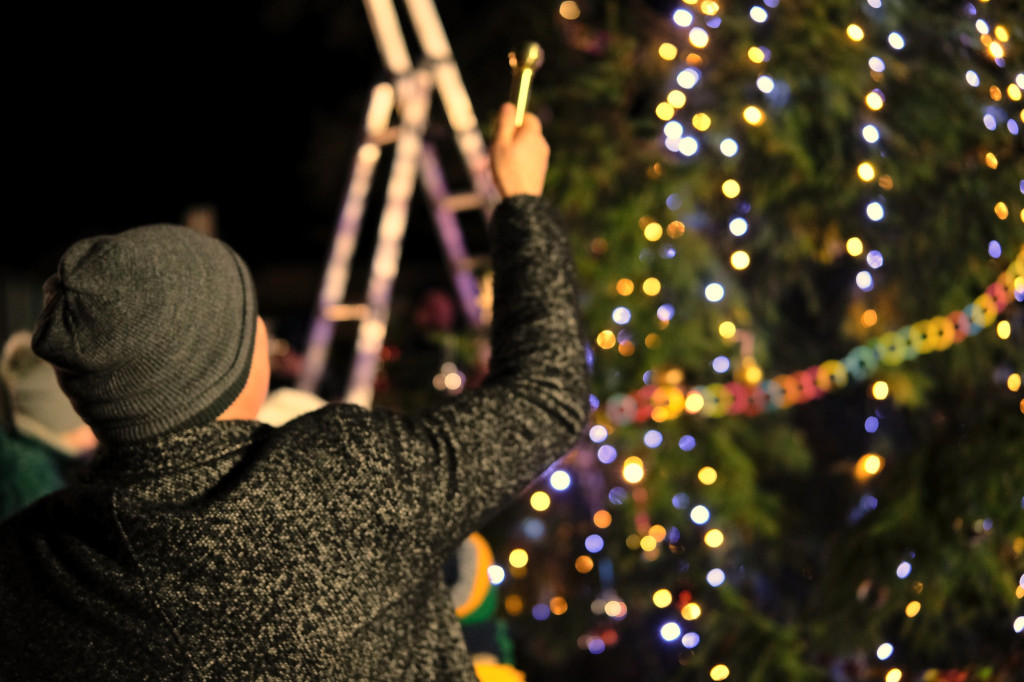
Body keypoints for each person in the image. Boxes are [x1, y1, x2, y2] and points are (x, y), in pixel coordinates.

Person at [0, 101, 589, 680]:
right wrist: (521, 203)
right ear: (223, 366)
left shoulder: (30, 568)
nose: (263, 328)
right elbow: (547, 397)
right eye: (247, 318)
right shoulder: (343, 481)